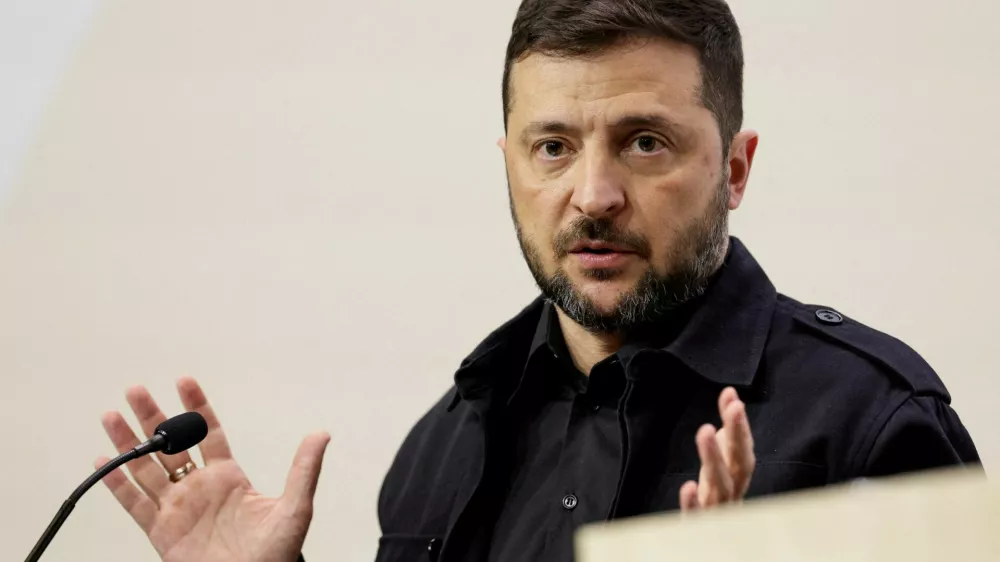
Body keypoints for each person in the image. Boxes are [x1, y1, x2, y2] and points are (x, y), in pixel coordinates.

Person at [94, 0, 982, 561]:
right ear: (509, 163)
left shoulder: (873, 423)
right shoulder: (446, 442)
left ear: (736, 170)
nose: (592, 196)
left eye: (645, 142)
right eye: (552, 147)